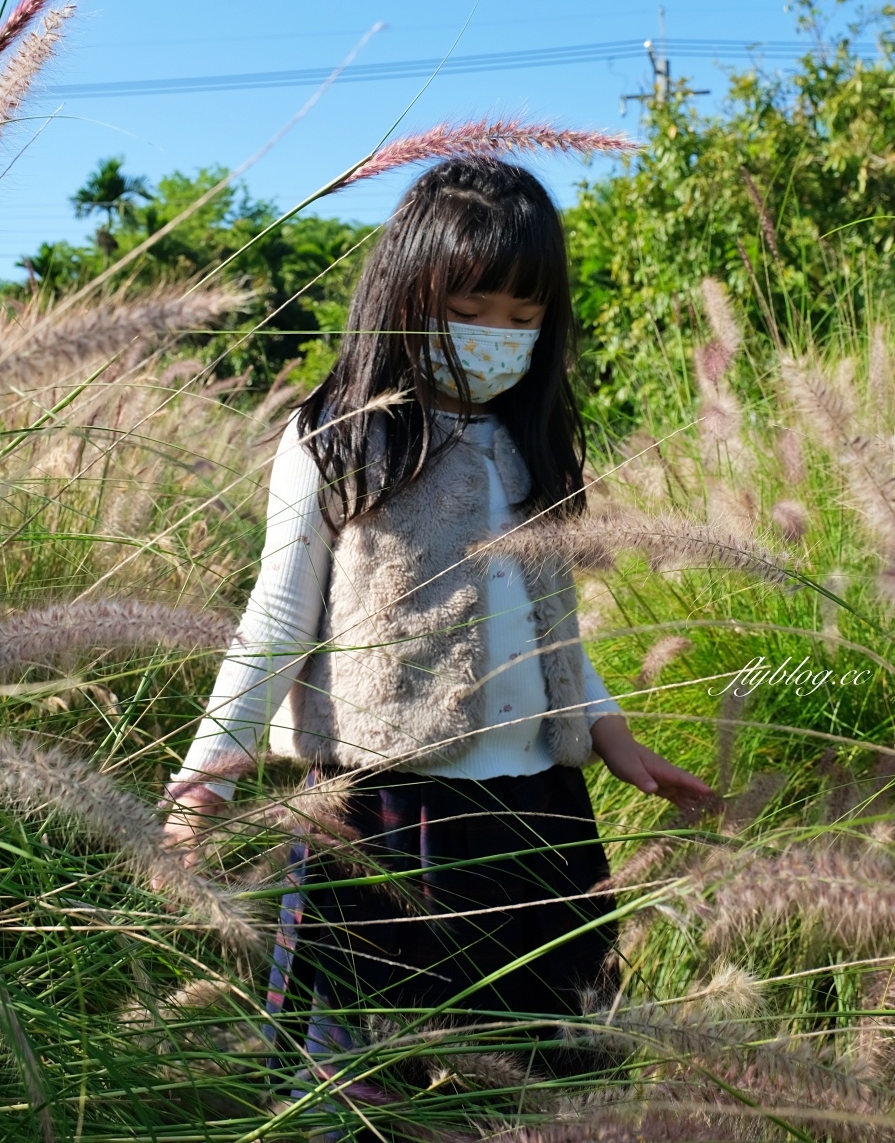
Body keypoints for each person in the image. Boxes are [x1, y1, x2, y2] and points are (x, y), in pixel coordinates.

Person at [160, 155, 715, 1120]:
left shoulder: (534, 448)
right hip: (381, 810)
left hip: (539, 807)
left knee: (553, 1056)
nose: (498, 336)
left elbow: (554, 633)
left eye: (522, 317)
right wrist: (213, 768)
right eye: (470, 307)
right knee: (362, 1070)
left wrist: (617, 742)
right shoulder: (340, 438)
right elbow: (278, 616)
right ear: (405, 297)